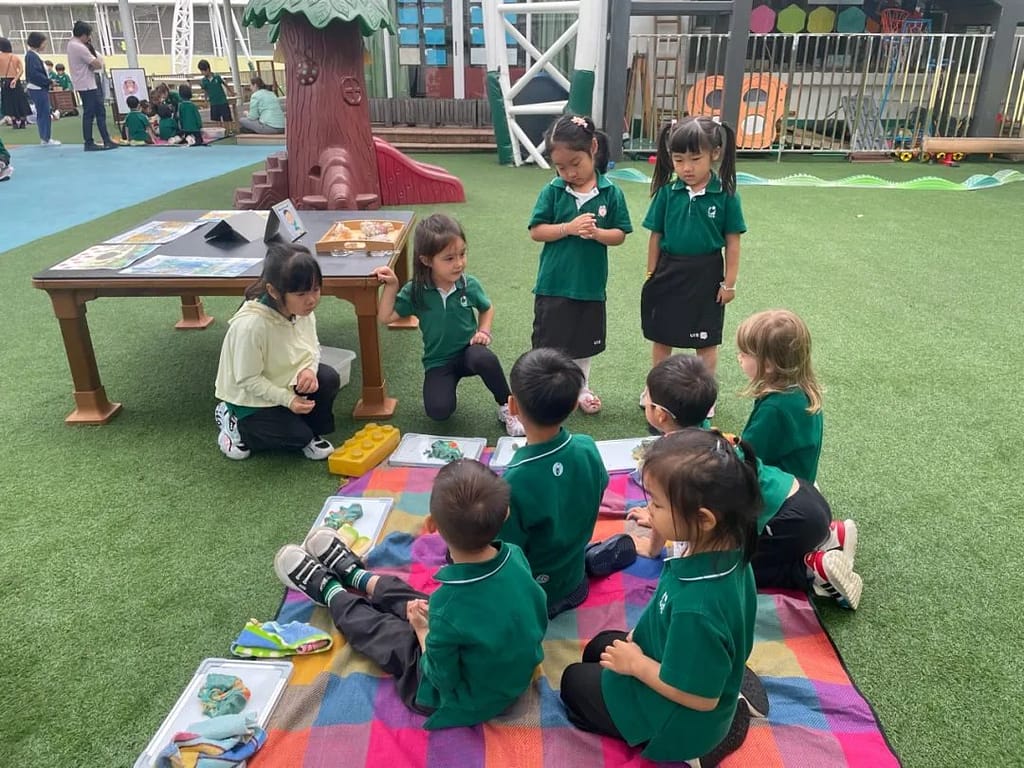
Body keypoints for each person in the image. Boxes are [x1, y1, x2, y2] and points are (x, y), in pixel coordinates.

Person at [273, 458, 548, 728]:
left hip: (459, 697)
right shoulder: (515, 556)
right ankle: (356, 575)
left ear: (432, 526)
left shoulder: (447, 605)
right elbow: (535, 613)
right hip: (506, 671)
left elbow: (441, 677)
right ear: (506, 513)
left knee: (391, 635)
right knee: (420, 605)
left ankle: (330, 590)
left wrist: (422, 630)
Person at [560, 429, 763, 765]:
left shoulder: (698, 608)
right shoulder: (726, 544)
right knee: (598, 647)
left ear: (703, 519)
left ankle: (707, 746)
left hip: (680, 720)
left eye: (656, 504)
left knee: (572, 682)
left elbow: (700, 698)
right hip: (676, 657)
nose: (648, 510)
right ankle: (729, 691)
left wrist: (637, 665)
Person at [629, 355, 862, 609]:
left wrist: (651, 548)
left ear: (660, 414)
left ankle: (811, 571)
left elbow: (674, 504)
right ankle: (831, 535)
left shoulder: (677, 461)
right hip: (805, 499)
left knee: (730, 571)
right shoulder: (708, 433)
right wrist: (658, 517)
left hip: (790, 522)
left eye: (647, 398)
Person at [373, 214, 525, 436]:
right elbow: (386, 317)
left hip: (468, 352)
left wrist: (483, 331)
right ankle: (447, 388)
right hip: (438, 361)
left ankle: (508, 407)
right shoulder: (415, 291)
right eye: (449, 258)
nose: (459, 263)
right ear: (427, 261)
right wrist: (392, 285)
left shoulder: (469, 285)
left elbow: (487, 308)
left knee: (484, 358)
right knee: (439, 411)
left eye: (462, 254)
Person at [527, 114, 633, 414]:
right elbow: (537, 231)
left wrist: (597, 234)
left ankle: (580, 388)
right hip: (553, 284)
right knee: (548, 343)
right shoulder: (553, 190)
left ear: (593, 148)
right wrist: (569, 228)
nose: (569, 173)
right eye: (561, 167)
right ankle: (545, 388)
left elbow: (620, 234)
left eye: (575, 163)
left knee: (583, 345)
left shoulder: (611, 192)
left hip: (589, 286)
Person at [498, 348, 613, 617]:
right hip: (575, 580)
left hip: (535, 596)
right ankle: (585, 560)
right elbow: (599, 488)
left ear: (513, 407)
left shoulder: (512, 481)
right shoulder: (587, 447)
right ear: (574, 405)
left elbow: (506, 550)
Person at [641, 116, 745, 397]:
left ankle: (704, 395)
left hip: (707, 274)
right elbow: (656, 236)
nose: (686, 168)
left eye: (695, 159)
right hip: (668, 270)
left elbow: (732, 243)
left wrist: (729, 284)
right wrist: (651, 274)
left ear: (715, 153)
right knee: (662, 336)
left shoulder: (726, 195)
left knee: (706, 341)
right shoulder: (667, 193)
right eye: (678, 160)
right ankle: (656, 390)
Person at [213, 242, 339, 461]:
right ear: (273, 291)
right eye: (301, 293)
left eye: (316, 289)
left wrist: (309, 370)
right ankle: (233, 421)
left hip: (284, 381)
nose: (311, 300)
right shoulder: (252, 326)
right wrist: (288, 400)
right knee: (296, 437)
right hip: (249, 400)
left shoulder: (301, 310)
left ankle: (307, 432)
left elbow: (313, 347)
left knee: (327, 378)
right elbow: (248, 379)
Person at [66, 21, 118, 151]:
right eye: (88, 35)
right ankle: (91, 142)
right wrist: (94, 63)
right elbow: (97, 64)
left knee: (94, 112)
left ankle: (103, 139)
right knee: (93, 113)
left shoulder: (71, 44)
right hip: (87, 84)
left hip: (84, 83)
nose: (89, 38)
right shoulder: (79, 47)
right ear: (83, 35)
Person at [24, 32, 59, 146]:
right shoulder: (31, 56)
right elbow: (35, 75)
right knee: (44, 113)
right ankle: (45, 138)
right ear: (38, 43)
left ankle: (45, 137)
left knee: (43, 113)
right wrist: (49, 82)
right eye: (44, 43)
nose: (45, 45)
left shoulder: (33, 55)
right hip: (38, 88)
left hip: (38, 87)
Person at [0, 37, 31, 130]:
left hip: (4, 80)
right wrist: (15, 79)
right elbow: (21, 70)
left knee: (8, 102)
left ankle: (14, 121)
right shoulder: (15, 57)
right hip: (15, 80)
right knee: (20, 100)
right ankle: (23, 121)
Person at [198, 59, 234, 126]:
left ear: (207, 69)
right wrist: (205, 100)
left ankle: (228, 130)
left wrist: (231, 92)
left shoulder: (217, 77)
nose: (202, 73)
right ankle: (220, 130)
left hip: (223, 101)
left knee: (227, 119)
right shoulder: (204, 81)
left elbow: (225, 84)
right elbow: (205, 91)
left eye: (203, 71)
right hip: (213, 103)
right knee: (217, 120)